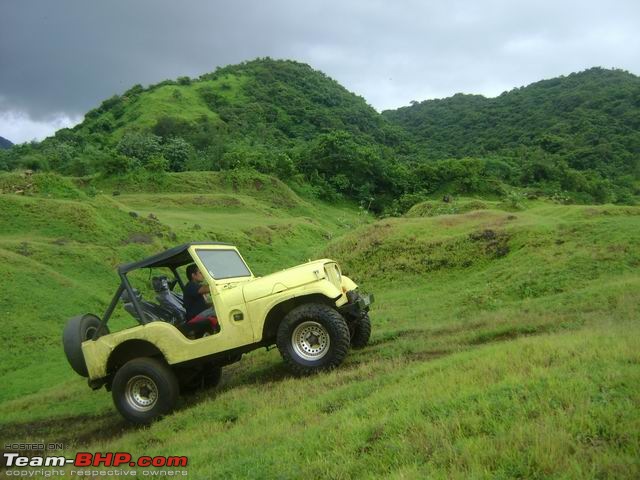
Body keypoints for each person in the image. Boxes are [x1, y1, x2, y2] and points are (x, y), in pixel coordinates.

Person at [184, 264, 219, 335]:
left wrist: (212, 304)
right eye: (200, 273)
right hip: (195, 318)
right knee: (220, 310)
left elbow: (202, 304)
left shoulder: (197, 286)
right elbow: (206, 289)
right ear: (193, 275)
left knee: (218, 307)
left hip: (202, 313)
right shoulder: (190, 286)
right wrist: (217, 282)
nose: (203, 275)